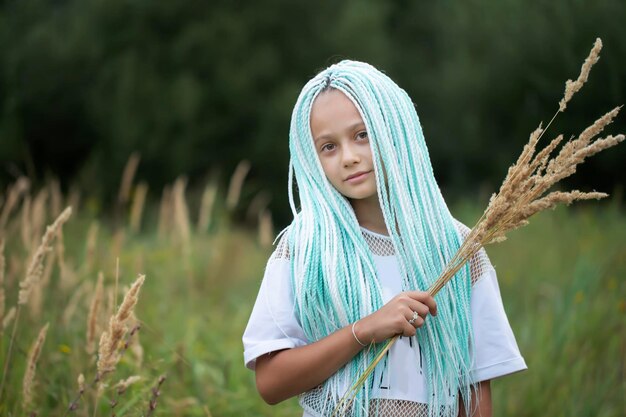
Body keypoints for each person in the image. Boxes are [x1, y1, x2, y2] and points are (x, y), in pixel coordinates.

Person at [243, 60, 526, 417]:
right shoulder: (305, 250)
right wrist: (364, 330)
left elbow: (474, 394)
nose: (349, 157)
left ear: (396, 129)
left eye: (362, 135)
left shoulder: (457, 250)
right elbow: (270, 383)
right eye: (328, 147)